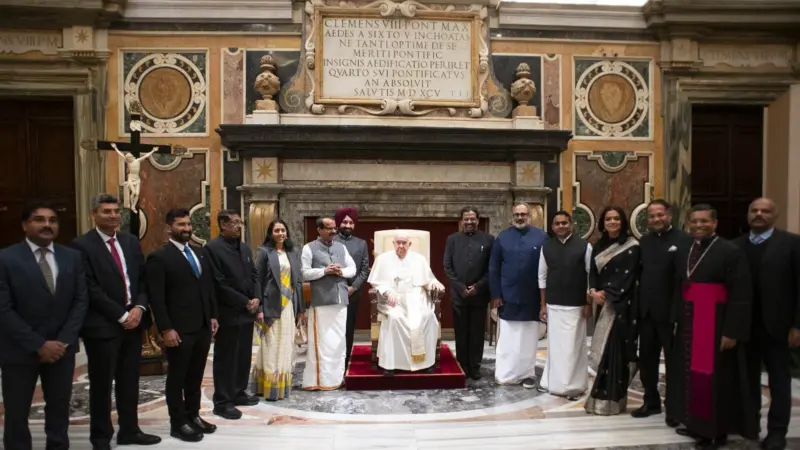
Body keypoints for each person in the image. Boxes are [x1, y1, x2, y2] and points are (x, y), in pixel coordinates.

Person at [72, 194, 161, 449]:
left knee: (130, 381)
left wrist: (140, 308)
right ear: (94, 214)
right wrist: (121, 315)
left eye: (115, 211)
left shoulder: (130, 241)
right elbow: (90, 287)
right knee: (101, 385)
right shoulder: (81, 246)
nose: (113, 215)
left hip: (134, 323)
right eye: (106, 211)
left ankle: (130, 431)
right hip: (103, 327)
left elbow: (142, 279)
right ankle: (100, 437)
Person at [0, 203, 89, 450]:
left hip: (62, 349)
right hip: (20, 351)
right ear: (25, 225)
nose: (47, 225)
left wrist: (63, 341)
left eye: (52, 220)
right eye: (39, 219)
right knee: (17, 413)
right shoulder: (5, 258)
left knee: (59, 409)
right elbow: (3, 309)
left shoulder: (72, 257)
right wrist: (38, 344)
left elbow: (81, 300)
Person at [670, 204, 758, 449]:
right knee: (689, 374)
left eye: (704, 221)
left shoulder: (730, 251)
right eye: (695, 221)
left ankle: (715, 432)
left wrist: (731, 331)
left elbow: (741, 294)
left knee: (715, 379)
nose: (699, 226)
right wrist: (678, 320)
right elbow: (680, 286)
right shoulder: (687, 248)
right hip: (690, 320)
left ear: (715, 223)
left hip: (714, 322)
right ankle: (695, 423)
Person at [146, 208, 219, 442]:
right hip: (178, 329)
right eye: (181, 225)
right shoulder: (159, 257)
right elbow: (156, 298)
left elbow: (207, 288)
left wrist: (213, 316)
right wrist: (166, 329)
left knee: (195, 376)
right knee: (177, 377)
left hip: (202, 326)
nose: (186, 228)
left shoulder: (200, 253)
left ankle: (193, 415)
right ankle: (178, 423)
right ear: (169, 228)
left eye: (188, 224)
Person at [735, 198, 800, 450]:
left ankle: (776, 433)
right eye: (754, 210)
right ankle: (750, 426)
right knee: (747, 381)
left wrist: (797, 325)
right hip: (745, 328)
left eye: (765, 211)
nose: (759, 214)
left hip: (779, 328)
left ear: (775, 215)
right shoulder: (735, 246)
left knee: (779, 383)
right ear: (748, 214)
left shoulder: (792, 244)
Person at [632, 199, 691, 425]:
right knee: (647, 360)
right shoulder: (644, 241)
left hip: (670, 314)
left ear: (669, 215)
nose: (656, 219)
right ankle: (651, 402)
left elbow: (683, 280)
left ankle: (675, 408)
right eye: (652, 216)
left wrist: (678, 313)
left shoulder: (683, 240)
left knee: (674, 364)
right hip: (647, 313)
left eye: (660, 215)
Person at [206, 210, 261, 419]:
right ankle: (222, 401)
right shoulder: (213, 248)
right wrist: (244, 301)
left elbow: (254, 274)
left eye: (240, 222)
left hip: (248, 312)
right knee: (226, 358)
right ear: (223, 224)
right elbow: (219, 283)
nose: (239, 226)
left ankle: (238, 392)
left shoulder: (245, 247)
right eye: (235, 222)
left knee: (243, 356)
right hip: (228, 312)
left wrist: (256, 298)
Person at [585, 206, 640, 416]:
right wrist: (592, 291)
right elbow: (592, 274)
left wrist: (606, 294)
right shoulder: (598, 246)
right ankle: (599, 398)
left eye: (617, 218)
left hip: (621, 307)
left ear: (623, 221)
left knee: (614, 352)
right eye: (608, 219)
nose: (613, 222)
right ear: (603, 222)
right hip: (602, 305)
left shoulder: (632, 246)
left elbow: (629, 277)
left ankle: (613, 398)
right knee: (604, 355)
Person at [489, 202, 548, 388]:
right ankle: (506, 374)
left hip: (532, 297)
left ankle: (527, 374)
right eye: (517, 214)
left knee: (529, 339)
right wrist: (496, 294)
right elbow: (493, 267)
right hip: (508, 296)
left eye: (523, 214)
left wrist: (544, 301)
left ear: (529, 215)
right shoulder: (503, 238)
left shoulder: (542, 237)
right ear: (511, 216)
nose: (520, 217)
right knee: (508, 338)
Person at [369, 231, 445, 373]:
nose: (401, 246)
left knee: (428, 317)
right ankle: (391, 364)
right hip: (393, 299)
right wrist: (388, 291)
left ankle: (426, 362)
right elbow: (376, 283)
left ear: (410, 244)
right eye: (398, 242)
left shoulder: (419, 259)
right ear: (393, 243)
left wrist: (436, 283)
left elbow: (428, 279)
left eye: (405, 243)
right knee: (395, 319)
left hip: (417, 298)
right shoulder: (383, 259)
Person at [537, 211, 592, 400]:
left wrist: (588, 303)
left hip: (576, 305)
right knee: (556, 347)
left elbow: (590, 277)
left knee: (573, 347)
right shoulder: (546, 247)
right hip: (553, 304)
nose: (561, 226)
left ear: (571, 224)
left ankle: (573, 385)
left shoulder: (584, 246)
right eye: (557, 223)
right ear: (552, 227)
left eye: (564, 223)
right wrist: (543, 305)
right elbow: (542, 277)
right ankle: (554, 382)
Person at [251, 219, 306, 401]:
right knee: (271, 345)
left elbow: (298, 282)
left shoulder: (293, 252)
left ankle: (281, 386)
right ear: (270, 233)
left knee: (285, 345)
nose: (281, 233)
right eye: (277, 230)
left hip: (289, 305)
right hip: (270, 306)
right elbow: (257, 280)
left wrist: (301, 309)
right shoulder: (265, 252)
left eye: (283, 230)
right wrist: (258, 307)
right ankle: (267, 387)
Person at [301, 217, 356, 390]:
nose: (333, 231)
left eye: (334, 228)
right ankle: (319, 381)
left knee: (339, 343)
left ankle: (336, 380)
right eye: (329, 228)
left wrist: (341, 271)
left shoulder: (341, 247)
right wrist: (324, 271)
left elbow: (352, 268)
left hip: (340, 301)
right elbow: (304, 273)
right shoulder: (308, 248)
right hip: (321, 301)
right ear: (319, 229)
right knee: (322, 343)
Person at [443, 206, 494, 380]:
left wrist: (478, 287)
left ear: (478, 220)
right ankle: (462, 365)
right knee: (461, 332)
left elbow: (491, 267)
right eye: (466, 219)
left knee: (477, 333)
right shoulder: (452, 239)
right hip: (459, 296)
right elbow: (447, 266)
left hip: (479, 295)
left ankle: (475, 366)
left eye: (473, 219)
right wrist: (460, 288)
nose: (469, 222)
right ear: (462, 221)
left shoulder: (488, 240)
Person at [333, 207, 371, 369]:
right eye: (345, 222)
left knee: (348, 329)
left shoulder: (361, 244)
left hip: (352, 293)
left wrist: (353, 287)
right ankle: (332, 362)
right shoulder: (331, 241)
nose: (348, 225)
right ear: (338, 223)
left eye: (351, 222)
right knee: (333, 329)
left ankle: (345, 361)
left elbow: (364, 269)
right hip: (332, 291)